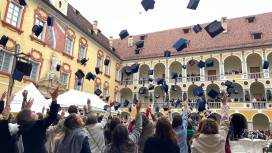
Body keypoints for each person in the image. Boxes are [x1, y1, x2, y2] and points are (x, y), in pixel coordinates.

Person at [16, 87, 60, 153]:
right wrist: (54, 99)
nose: (34, 111)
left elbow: (21, 117)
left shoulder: (22, 128)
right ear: (28, 117)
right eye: (32, 112)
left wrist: (27, 108)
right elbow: (52, 117)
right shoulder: (37, 125)